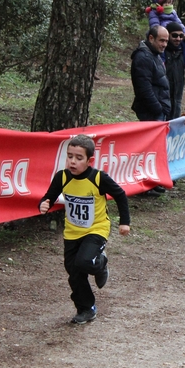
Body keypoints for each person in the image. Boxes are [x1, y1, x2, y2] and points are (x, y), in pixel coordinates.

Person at [39, 135, 131, 324]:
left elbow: (120, 195)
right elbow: (49, 196)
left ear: (89, 161)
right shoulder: (62, 177)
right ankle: (86, 308)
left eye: (78, 158)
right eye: (70, 156)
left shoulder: (98, 178)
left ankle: (101, 263)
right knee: (73, 272)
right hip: (72, 232)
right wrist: (43, 204)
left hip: (96, 229)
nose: (73, 161)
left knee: (84, 262)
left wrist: (125, 222)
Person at [147, 0, 185, 72]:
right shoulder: (154, 12)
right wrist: (159, 32)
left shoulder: (172, 12)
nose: (167, 5)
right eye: (165, 2)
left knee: (184, 43)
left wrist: (184, 33)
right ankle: (162, 61)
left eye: (169, 2)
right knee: (162, 45)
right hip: (163, 32)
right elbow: (154, 23)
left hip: (174, 32)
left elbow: (179, 23)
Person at [130, 25, 170, 122]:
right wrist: (158, 109)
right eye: (161, 40)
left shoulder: (155, 54)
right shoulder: (143, 57)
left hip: (158, 111)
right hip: (152, 113)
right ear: (151, 38)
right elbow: (144, 89)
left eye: (166, 41)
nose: (164, 44)